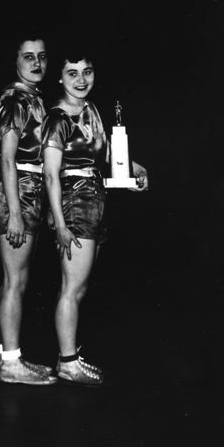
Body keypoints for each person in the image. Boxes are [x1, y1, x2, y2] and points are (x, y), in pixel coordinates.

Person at [42, 51, 148, 386]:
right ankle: (67, 362)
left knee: (80, 286)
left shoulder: (90, 112)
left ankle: (69, 353)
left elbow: (102, 154)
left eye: (86, 72)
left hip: (95, 199)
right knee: (71, 288)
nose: (81, 80)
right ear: (60, 78)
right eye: (72, 73)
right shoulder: (58, 118)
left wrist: (132, 169)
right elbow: (51, 176)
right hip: (73, 203)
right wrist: (60, 223)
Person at [0, 36, 57, 385]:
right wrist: (14, 211)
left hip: (31, 193)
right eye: (28, 56)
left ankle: (13, 356)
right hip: (16, 194)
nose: (36, 63)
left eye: (41, 57)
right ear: (14, 61)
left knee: (19, 280)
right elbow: (7, 158)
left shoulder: (35, 98)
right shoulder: (15, 99)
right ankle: (10, 362)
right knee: (14, 280)